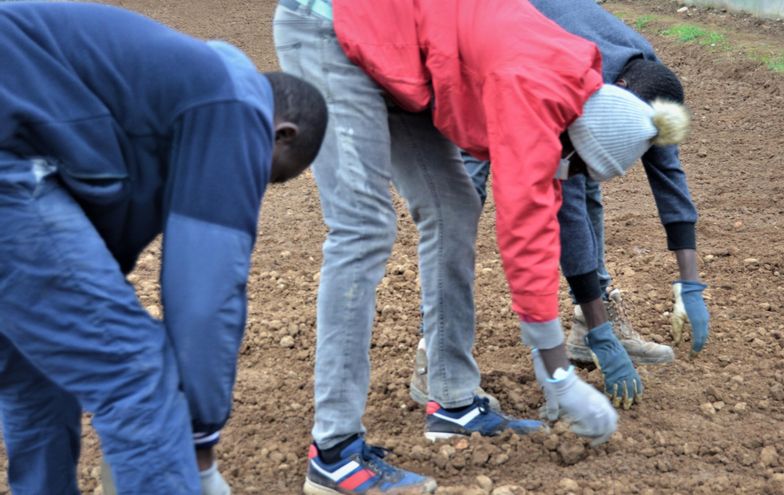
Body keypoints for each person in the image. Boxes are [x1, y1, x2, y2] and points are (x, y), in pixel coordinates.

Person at [275, 0, 689, 493]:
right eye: (574, 166)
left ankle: (452, 402)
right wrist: (558, 374)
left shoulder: (573, 92)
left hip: (407, 53)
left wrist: (552, 358)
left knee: (454, 208)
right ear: (572, 137)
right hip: (333, 27)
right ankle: (334, 453)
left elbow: (542, 212)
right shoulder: (529, 87)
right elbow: (524, 228)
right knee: (363, 228)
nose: (566, 178)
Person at [0, 3, 327, 494]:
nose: (249, 187)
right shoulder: (236, 104)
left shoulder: (166, 86)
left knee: (38, 369)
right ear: (282, 134)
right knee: (136, 372)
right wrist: (197, 440)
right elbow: (205, 294)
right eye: (268, 175)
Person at [410, 0, 711, 412]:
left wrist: (689, 281)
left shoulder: (652, 86)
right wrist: (561, 365)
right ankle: (436, 353)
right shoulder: (573, 82)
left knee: (586, 183)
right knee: (458, 202)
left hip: (535, 58)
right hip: (481, 68)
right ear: (616, 100)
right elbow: (557, 210)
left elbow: (667, 170)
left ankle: (590, 323)